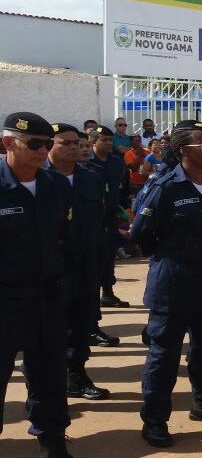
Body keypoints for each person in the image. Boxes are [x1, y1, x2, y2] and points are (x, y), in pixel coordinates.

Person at [130, 120, 202, 447]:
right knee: (164, 354)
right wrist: (173, 253)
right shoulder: (165, 185)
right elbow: (141, 233)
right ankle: (155, 420)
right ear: (182, 151)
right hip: (173, 279)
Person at [0, 112, 74, 456]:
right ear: (7, 143)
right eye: (33, 144)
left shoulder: (54, 186)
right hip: (4, 301)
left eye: (46, 144)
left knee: (50, 375)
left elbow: (62, 236)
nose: (42, 151)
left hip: (47, 299)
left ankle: (52, 441)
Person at [47, 124, 111, 403]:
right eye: (66, 143)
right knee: (48, 329)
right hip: (51, 266)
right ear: (50, 144)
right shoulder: (39, 179)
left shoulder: (90, 177)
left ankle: (75, 375)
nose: (75, 147)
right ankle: (44, 387)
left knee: (81, 323)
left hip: (86, 262)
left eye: (78, 143)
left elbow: (99, 216)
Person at [89, 125, 130, 313]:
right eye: (103, 140)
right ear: (93, 142)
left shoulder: (115, 161)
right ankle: (91, 297)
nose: (108, 143)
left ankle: (108, 293)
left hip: (112, 215)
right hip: (92, 216)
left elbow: (121, 186)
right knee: (93, 257)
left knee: (109, 255)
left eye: (109, 140)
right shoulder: (86, 163)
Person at [124, 134, 149, 201]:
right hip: (135, 183)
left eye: (139, 140)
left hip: (147, 182)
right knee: (135, 201)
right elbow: (133, 168)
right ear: (131, 142)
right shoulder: (128, 154)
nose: (139, 142)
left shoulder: (147, 151)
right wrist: (140, 155)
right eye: (136, 141)